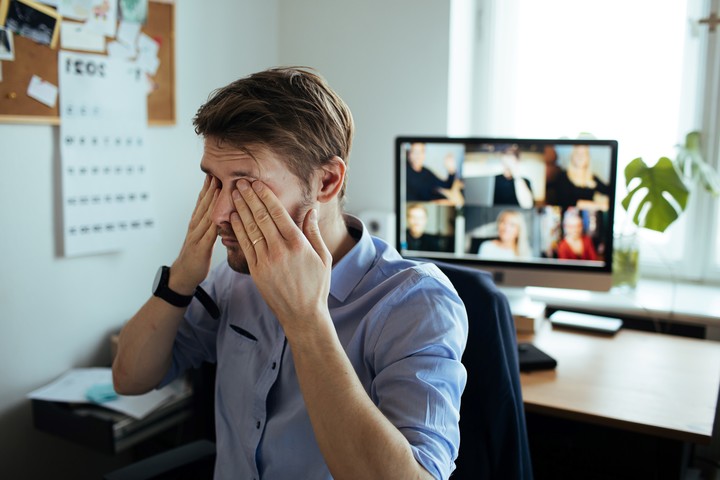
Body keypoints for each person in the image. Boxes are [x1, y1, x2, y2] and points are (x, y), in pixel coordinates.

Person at [112, 67, 468, 480]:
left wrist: (306, 321)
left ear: (326, 182)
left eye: (245, 185)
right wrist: (181, 279)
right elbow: (129, 378)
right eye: (213, 181)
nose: (219, 213)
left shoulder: (415, 302)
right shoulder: (234, 277)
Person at [550, 145, 610, 210]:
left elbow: (609, 191)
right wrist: (598, 205)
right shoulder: (563, 176)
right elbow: (566, 201)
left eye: (584, 153)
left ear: (588, 157)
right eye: (577, 153)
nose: (580, 156)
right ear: (572, 156)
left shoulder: (592, 177)